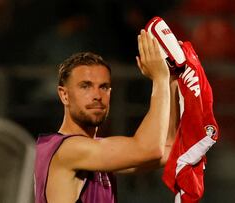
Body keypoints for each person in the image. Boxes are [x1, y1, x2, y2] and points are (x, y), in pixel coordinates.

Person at [34, 29, 179, 203]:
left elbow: (169, 149)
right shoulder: (69, 149)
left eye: (103, 87)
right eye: (85, 86)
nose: (97, 95)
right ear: (64, 95)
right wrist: (160, 78)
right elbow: (150, 149)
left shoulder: (94, 152)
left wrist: (173, 81)